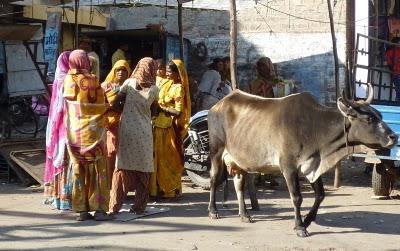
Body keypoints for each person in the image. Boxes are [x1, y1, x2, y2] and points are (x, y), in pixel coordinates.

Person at [63, 49, 112, 221]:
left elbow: (66, 106)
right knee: (99, 170)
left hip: (75, 133)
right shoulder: (94, 80)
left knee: (78, 170)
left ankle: (81, 210)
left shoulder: (68, 80)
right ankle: (99, 209)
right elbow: (104, 105)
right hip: (95, 134)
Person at [108, 57, 159, 215]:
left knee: (121, 167)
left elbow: (116, 105)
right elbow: (155, 112)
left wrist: (127, 109)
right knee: (144, 169)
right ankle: (139, 207)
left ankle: (114, 206)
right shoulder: (155, 89)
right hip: (144, 133)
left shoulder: (129, 84)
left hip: (127, 130)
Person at [150, 59, 191, 199]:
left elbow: (178, 111)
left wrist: (161, 108)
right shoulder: (166, 83)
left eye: (169, 72)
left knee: (167, 159)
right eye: (166, 71)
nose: (166, 74)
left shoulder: (178, 88)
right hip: (157, 125)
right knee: (157, 158)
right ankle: (156, 189)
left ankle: (169, 190)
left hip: (168, 127)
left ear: (177, 73)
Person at [43, 51, 73, 210]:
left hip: (56, 125)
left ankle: (57, 196)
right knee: (67, 161)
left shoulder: (58, 79)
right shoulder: (68, 80)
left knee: (60, 161)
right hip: (67, 126)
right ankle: (66, 197)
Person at [101, 60, 131, 184]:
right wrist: (112, 106)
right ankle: (109, 184)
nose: (120, 72)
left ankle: (122, 186)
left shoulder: (131, 87)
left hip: (127, 125)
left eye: (124, 70)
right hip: (110, 126)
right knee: (110, 153)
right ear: (114, 71)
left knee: (125, 155)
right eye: (118, 69)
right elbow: (99, 105)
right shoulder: (106, 86)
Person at [385, 37, 400, 102]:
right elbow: (389, 64)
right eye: (399, 42)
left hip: (396, 73)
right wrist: (393, 71)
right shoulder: (390, 52)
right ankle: (397, 104)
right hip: (396, 74)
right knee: (399, 91)